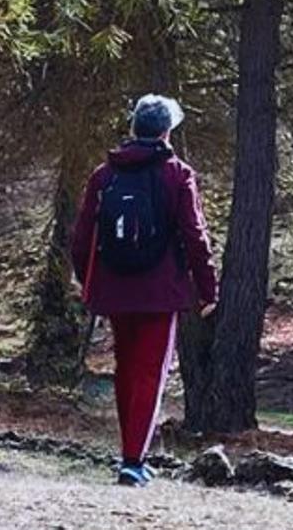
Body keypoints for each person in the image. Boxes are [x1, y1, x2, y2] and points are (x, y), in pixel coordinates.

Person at [69, 93, 219, 486]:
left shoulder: (105, 175)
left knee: (126, 369)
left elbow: (82, 237)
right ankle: (133, 461)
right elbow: (194, 235)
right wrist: (207, 290)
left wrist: (86, 281)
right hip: (160, 289)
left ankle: (130, 453)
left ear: (134, 126)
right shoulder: (177, 173)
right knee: (149, 373)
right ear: (167, 131)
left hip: (116, 289)